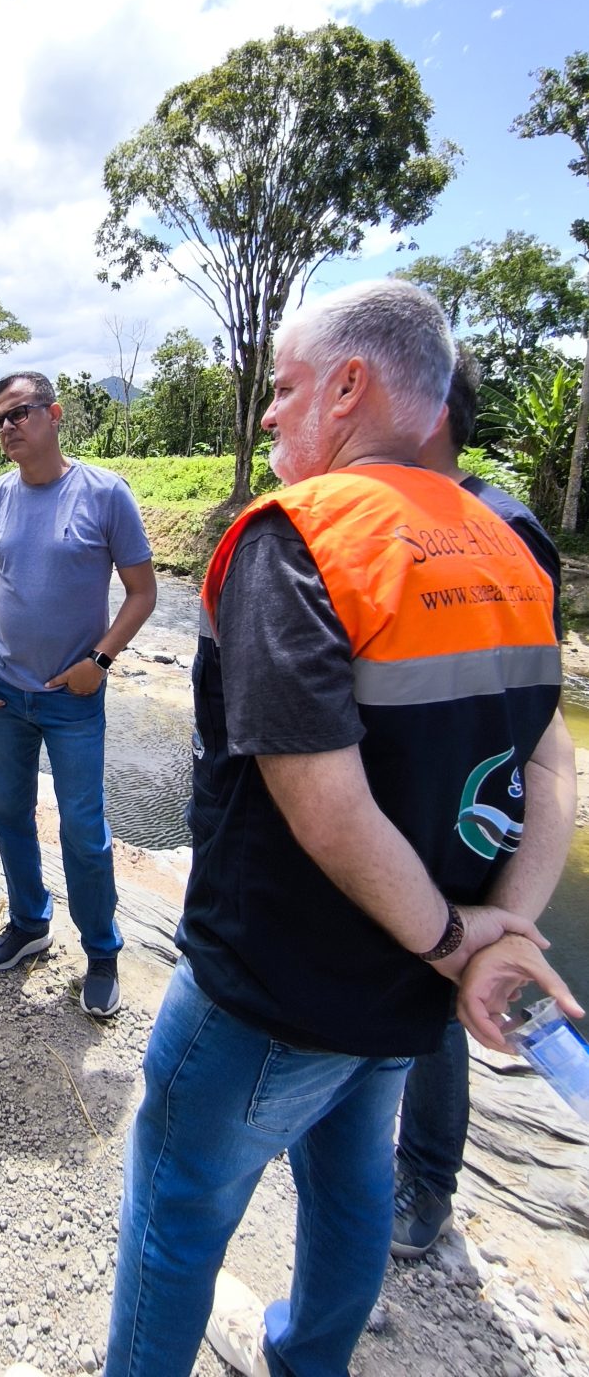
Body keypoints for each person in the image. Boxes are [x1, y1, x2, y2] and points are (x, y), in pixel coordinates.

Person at [105, 280, 578, 1377]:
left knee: (175, 1212)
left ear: (352, 386)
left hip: (278, 983)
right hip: (412, 991)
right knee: (355, 1178)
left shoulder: (301, 535)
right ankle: (306, 1359)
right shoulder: (512, 542)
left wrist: (459, 946)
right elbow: (553, 759)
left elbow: (321, 801)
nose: (268, 416)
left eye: (282, 388)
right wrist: (496, 933)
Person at [392, 346, 564, 1259]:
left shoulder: (505, 525)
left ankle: (426, 1180)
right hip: (402, 809)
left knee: (444, 988)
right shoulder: (391, 519)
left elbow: (534, 714)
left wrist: (511, 913)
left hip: (468, 813)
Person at [0, 372, 156, 1019]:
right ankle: (29, 924)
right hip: (4, 694)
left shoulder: (104, 494)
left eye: (20, 413)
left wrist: (99, 661)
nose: (9, 426)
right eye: (0, 419)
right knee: (8, 813)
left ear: (55, 414)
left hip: (73, 699)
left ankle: (101, 952)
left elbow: (142, 592)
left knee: (84, 831)